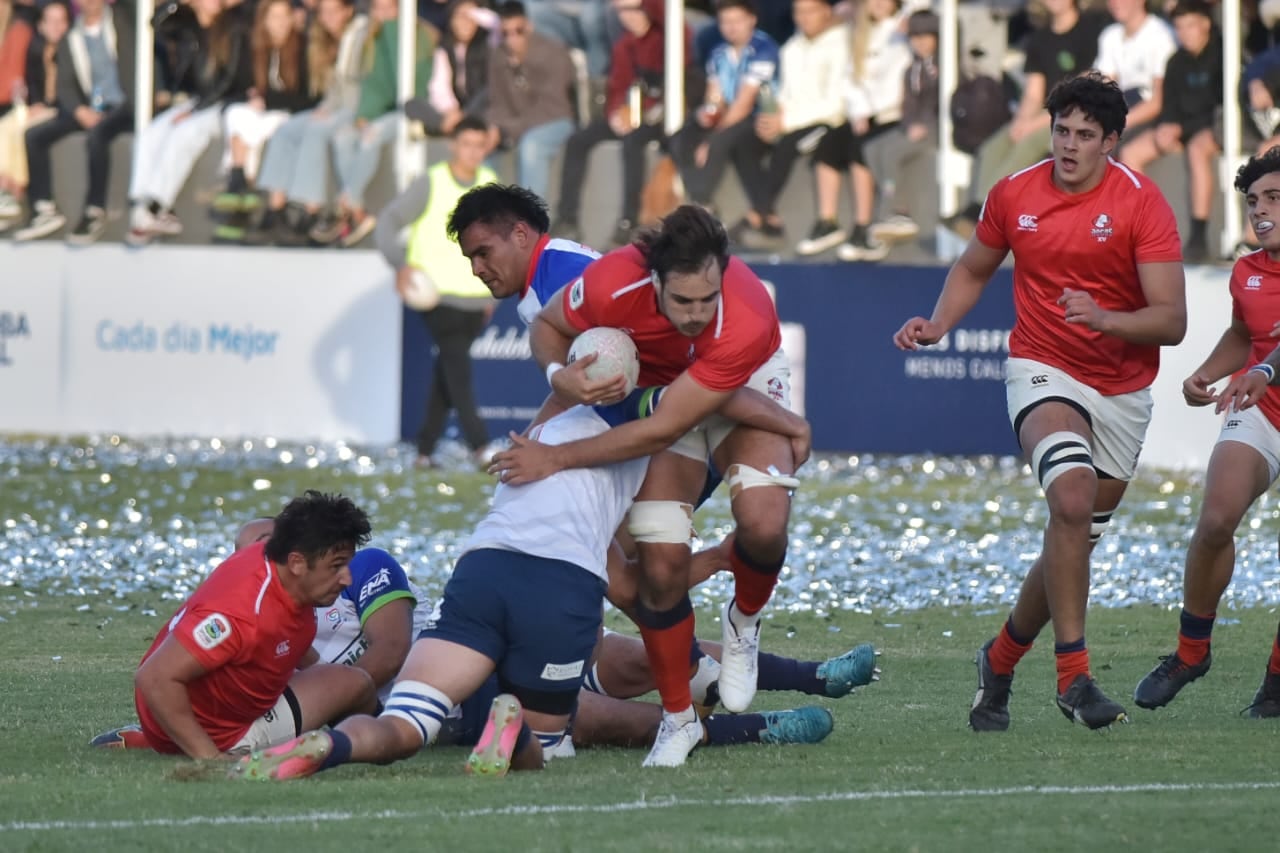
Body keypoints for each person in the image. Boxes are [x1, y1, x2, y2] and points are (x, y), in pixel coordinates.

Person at [227, 387, 810, 781]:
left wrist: (712, 558)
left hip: (483, 569)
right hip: (558, 585)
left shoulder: (544, 430)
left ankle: (333, 748)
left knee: (402, 725)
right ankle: (518, 730)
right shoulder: (646, 409)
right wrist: (791, 424)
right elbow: (719, 396)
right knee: (554, 745)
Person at [892, 71, 1186, 731]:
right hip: (1042, 367)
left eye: (1086, 134)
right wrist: (939, 324)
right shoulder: (1012, 193)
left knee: (1071, 536)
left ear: (1112, 141)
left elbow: (1172, 321)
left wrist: (1105, 317)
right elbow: (973, 266)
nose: (1069, 145)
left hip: (1123, 392)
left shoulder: (1143, 203)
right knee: (1072, 501)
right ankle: (1073, 676)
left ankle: (998, 659)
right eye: (1061, 130)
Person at [489, 205, 804, 768]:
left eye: (707, 299)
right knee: (658, 566)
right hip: (665, 388)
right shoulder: (612, 281)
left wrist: (554, 457)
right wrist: (558, 377)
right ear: (654, 280)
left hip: (738, 385)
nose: (696, 314)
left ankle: (744, 621)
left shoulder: (745, 318)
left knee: (763, 523)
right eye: (682, 301)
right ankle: (678, 719)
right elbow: (548, 325)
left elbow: (664, 424)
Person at [1133, 147, 1280, 718]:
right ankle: (1191, 652)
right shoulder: (1246, 270)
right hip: (1263, 407)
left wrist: (1264, 372)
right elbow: (1247, 333)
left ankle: (1274, 682)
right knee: (1216, 517)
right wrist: (1207, 373)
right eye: (1252, 202)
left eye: (1273, 198)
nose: (1260, 211)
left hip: (1262, 387)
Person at [132, 491, 379, 759]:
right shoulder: (239, 615)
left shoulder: (274, 561)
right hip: (222, 733)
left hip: (198, 716)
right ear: (296, 562)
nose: (347, 578)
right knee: (356, 683)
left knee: (332, 678)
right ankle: (389, 735)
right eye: (336, 566)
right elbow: (154, 677)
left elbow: (287, 633)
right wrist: (210, 758)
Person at [374, 116, 499, 467]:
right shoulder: (432, 182)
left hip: (474, 298)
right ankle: (481, 446)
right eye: (466, 144)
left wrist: (491, 292)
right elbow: (388, 222)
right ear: (452, 145)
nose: (472, 152)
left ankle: (424, 453)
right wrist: (400, 265)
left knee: (447, 374)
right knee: (457, 373)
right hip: (436, 296)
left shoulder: (490, 183)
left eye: (479, 145)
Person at [1117, 0, 1222, 263]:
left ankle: (1198, 236)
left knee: (1198, 149)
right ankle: (1140, 231)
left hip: (1211, 129)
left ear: (1205, 24)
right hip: (1180, 128)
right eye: (1180, 27)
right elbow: (1169, 105)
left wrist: (1179, 128)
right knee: (1130, 151)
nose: (1185, 32)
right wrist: (1166, 125)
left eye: (1190, 26)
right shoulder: (1176, 61)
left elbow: (1219, 108)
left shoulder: (1223, 56)